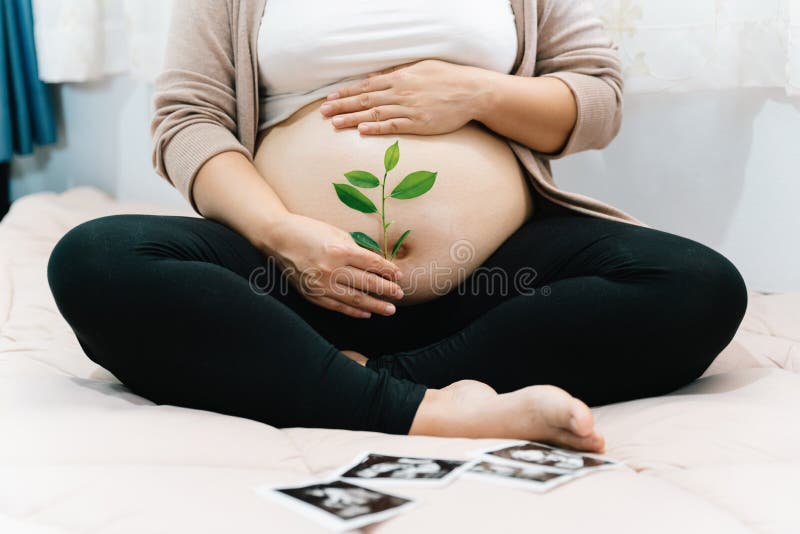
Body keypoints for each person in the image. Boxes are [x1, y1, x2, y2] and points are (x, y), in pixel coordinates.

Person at [46, 0, 748, 453]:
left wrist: (478, 92)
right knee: (98, 259)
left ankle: (369, 384)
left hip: (489, 284)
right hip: (289, 284)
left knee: (698, 285)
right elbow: (187, 121)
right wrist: (283, 234)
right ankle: (437, 412)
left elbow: (596, 98)